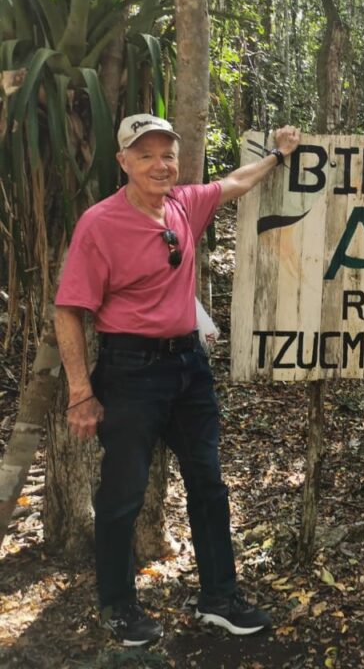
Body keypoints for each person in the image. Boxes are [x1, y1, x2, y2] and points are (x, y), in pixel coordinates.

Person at [54, 114, 300, 646]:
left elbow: (234, 183)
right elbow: (69, 310)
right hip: (129, 372)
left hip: (189, 368)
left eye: (167, 154)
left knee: (208, 483)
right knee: (122, 496)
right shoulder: (100, 224)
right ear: (123, 162)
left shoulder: (185, 203)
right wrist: (81, 393)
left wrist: (278, 156)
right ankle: (118, 607)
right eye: (146, 155)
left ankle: (219, 597)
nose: (160, 164)